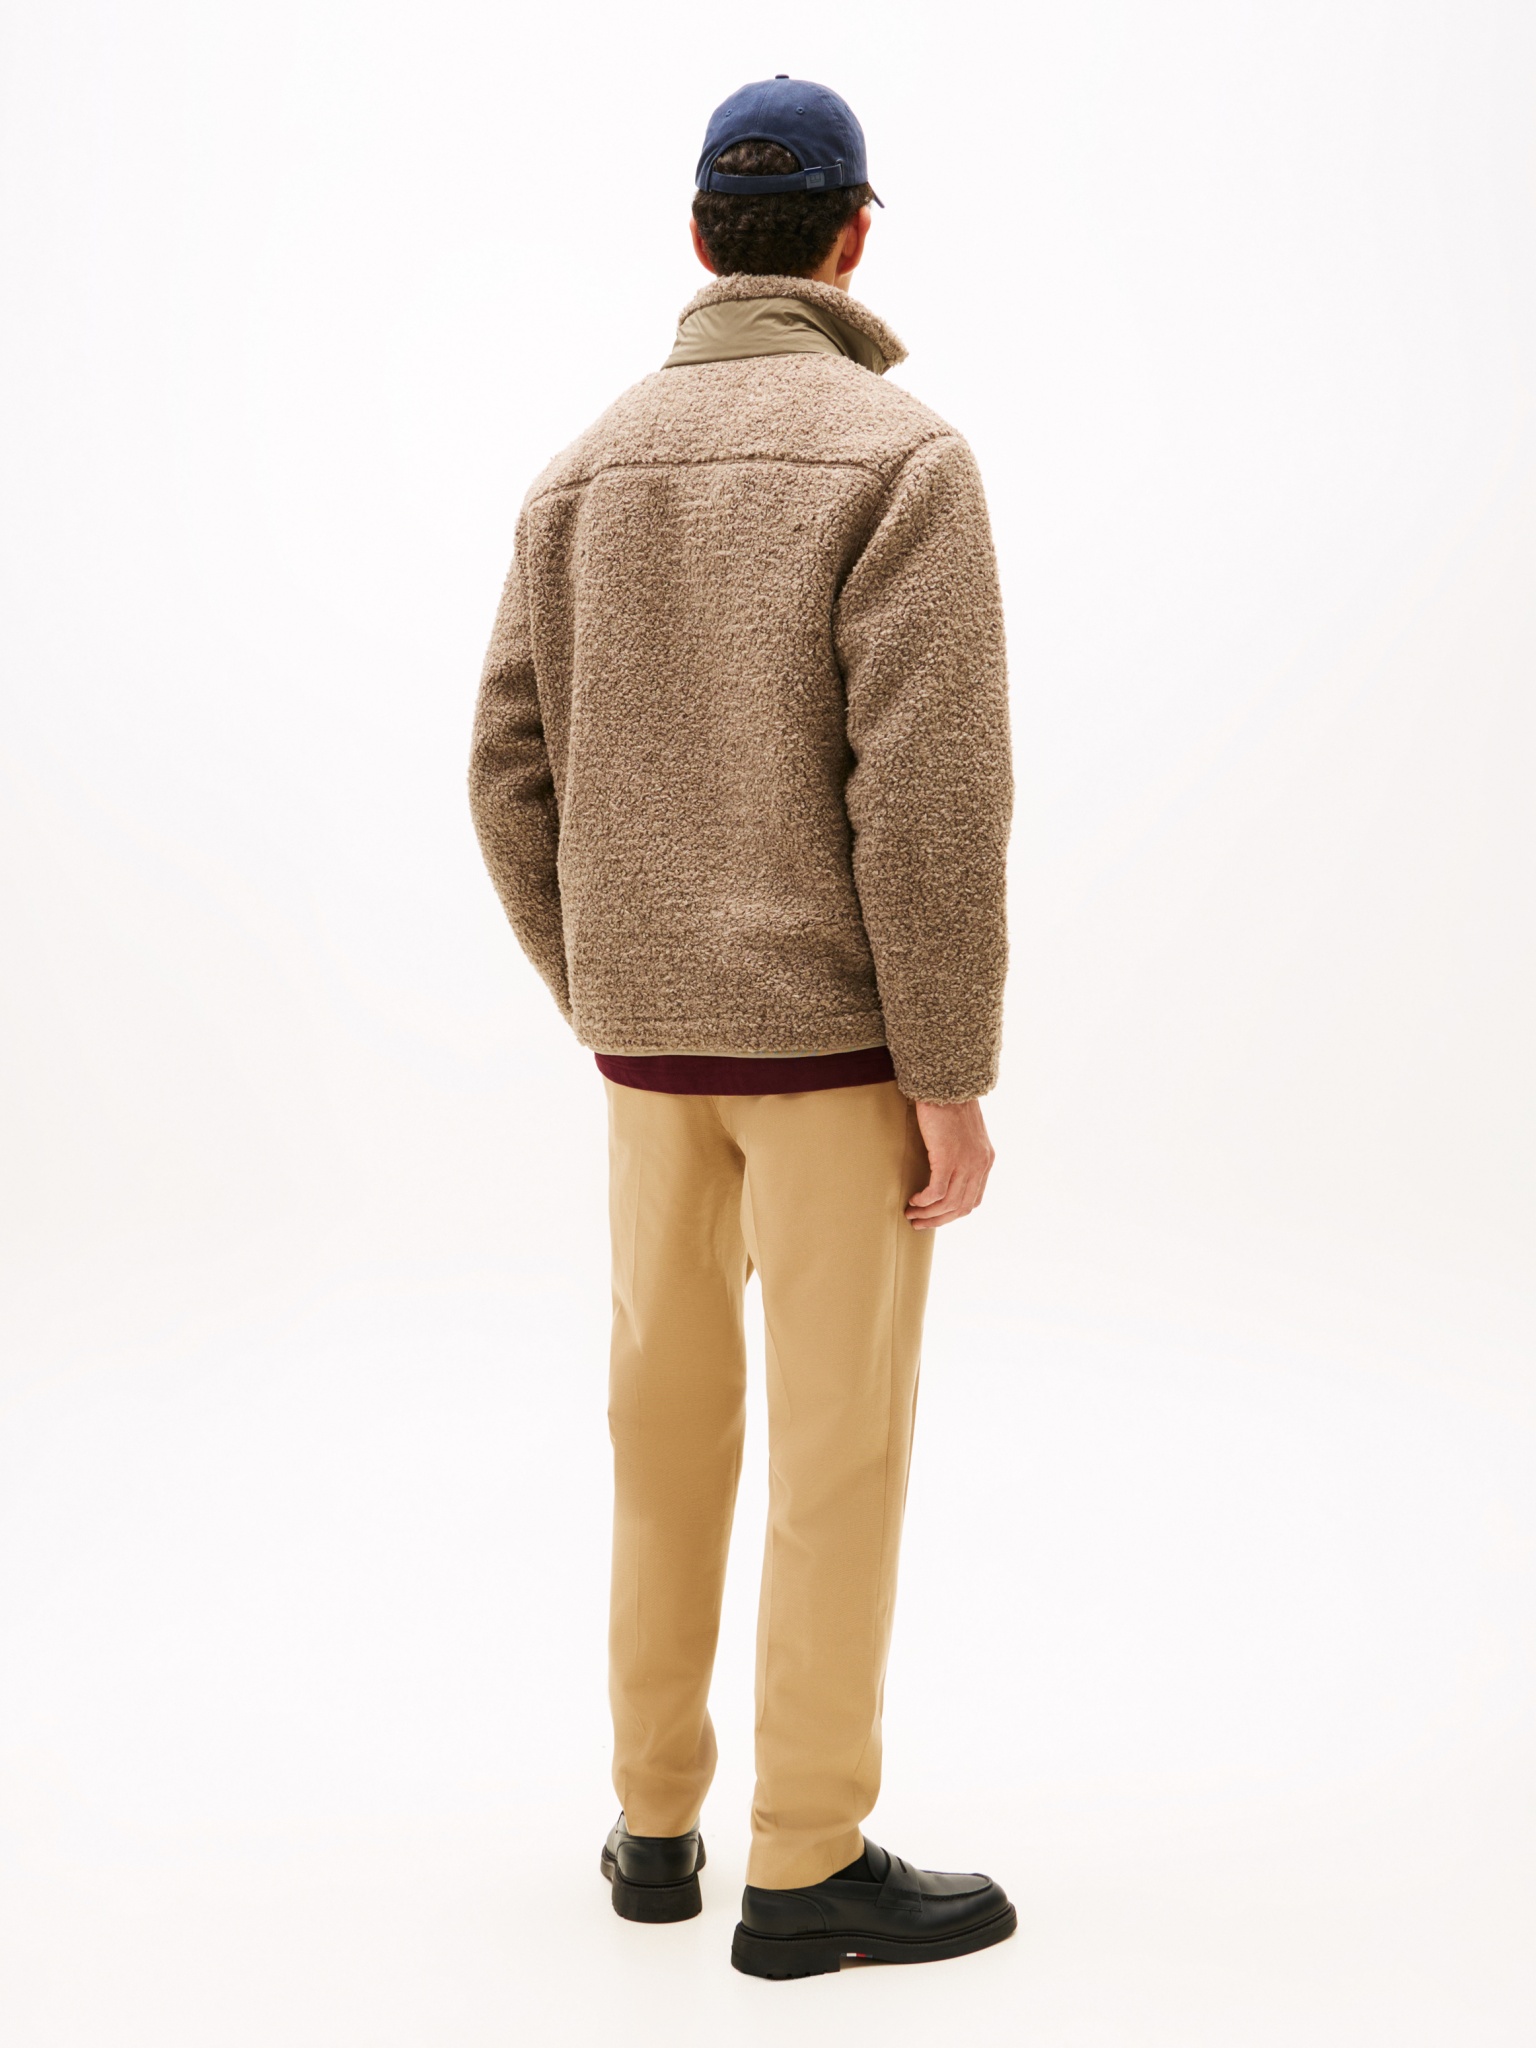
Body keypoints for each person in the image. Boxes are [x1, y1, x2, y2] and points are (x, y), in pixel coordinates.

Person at [469, 75, 1014, 1979]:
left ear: (702, 238)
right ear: (853, 238)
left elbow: (505, 771)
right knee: (836, 1454)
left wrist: (610, 987)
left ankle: (652, 1829)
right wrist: (950, 1073)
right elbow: (928, 800)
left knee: (663, 1432)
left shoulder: (583, 468)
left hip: (651, 1066)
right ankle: (805, 1863)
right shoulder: (902, 458)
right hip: (835, 1057)